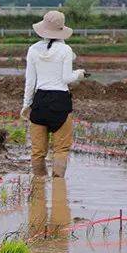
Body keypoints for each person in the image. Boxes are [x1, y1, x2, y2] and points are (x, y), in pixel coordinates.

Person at [20, 10, 86, 177]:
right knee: (61, 150)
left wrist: (26, 105)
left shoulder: (33, 49)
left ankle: (39, 187)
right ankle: (58, 188)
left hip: (40, 101)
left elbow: (30, 82)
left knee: (37, 151)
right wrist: (78, 74)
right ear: (61, 30)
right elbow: (66, 78)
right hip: (60, 102)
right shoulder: (65, 50)